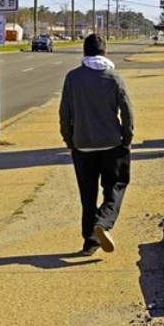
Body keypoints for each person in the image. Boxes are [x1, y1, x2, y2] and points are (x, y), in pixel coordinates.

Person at [59, 34, 134, 256]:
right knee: (116, 185)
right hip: (112, 144)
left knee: (87, 194)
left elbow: (65, 112)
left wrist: (69, 140)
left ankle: (90, 242)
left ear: (84, 53)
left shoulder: (72, 78)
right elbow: (127, 112)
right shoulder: (113, 77)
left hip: (82, 146)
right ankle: (103, 222)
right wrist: (127, 140)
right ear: (105, 52)